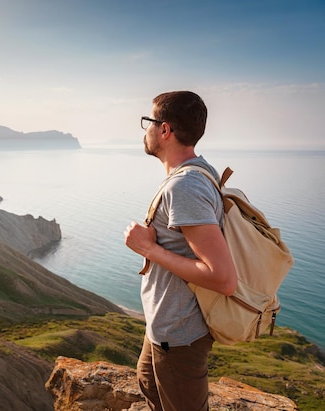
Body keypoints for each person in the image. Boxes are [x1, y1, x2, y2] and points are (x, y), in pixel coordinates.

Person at [123, 91, 238, 411]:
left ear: (164, 130)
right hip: (166, 328)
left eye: (148, 121)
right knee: (149, 384)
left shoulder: (185, 186)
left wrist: (147, 248)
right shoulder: (198, 171)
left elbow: (223, 279)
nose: (145, 129)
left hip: (181, 333)